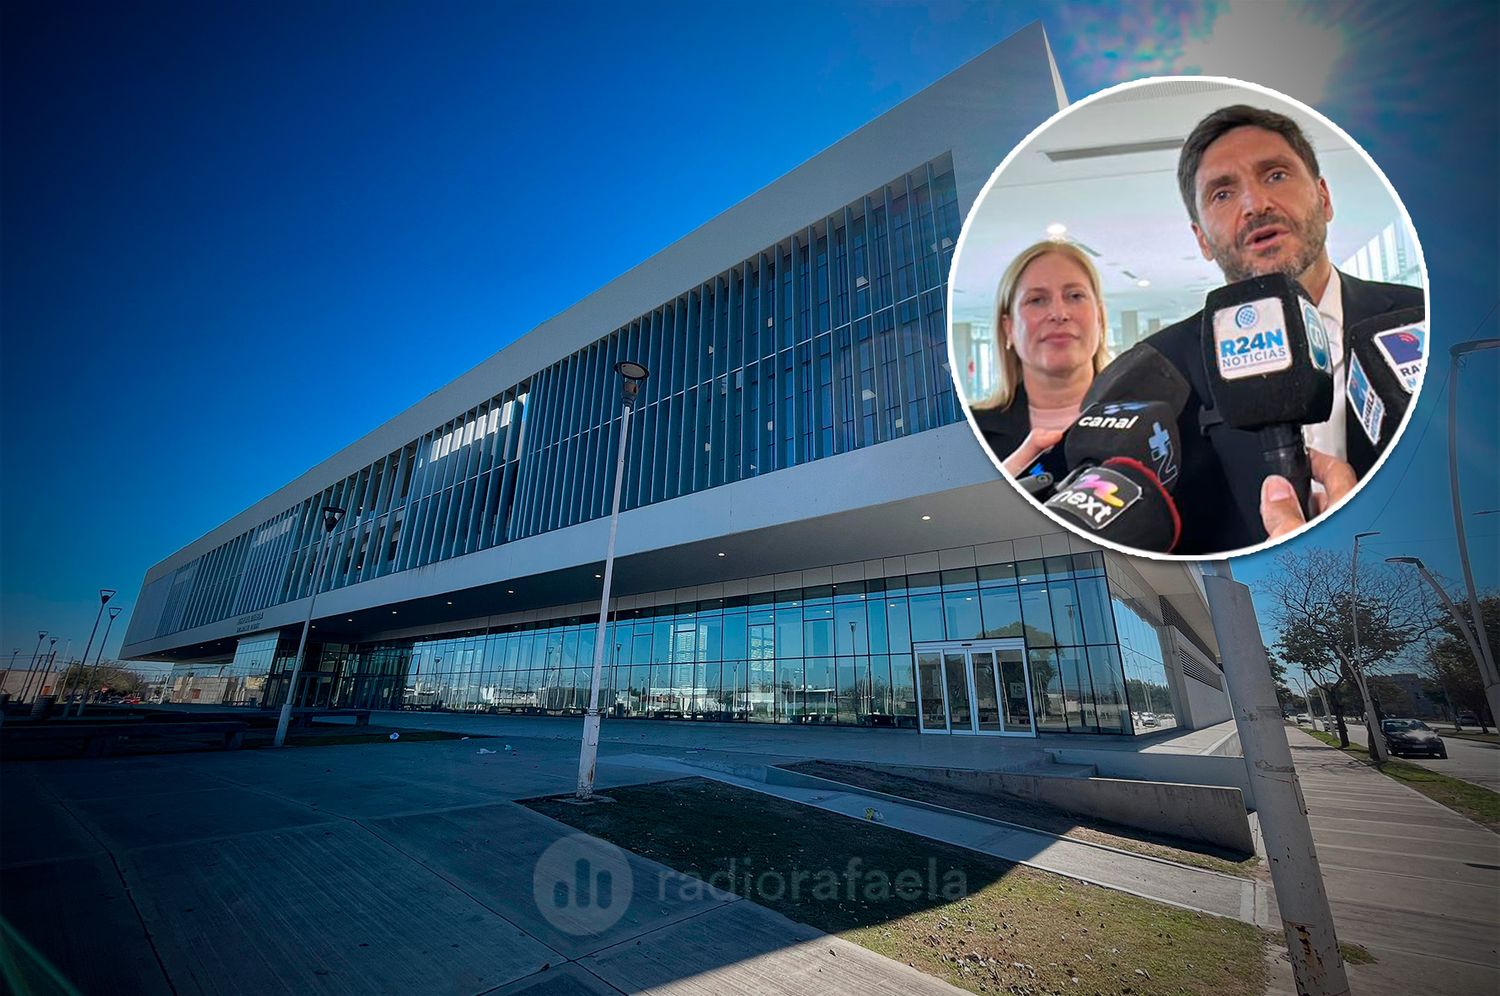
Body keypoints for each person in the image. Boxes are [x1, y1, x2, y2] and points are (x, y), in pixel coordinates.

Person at [1140, 104, 1423, 553]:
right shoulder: (1160, 371)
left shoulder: (1423, 318)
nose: (1256, 205)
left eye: (1275, 175)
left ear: (1324, 198)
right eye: (1222, 194)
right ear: (1201, 239)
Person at [967, 240, 1110, 477]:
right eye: (1036, 300)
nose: (1059, 314)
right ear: (1009, 327)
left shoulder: (1153, 418)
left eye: (1075, 296)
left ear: (1100, 317)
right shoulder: (970, 433)